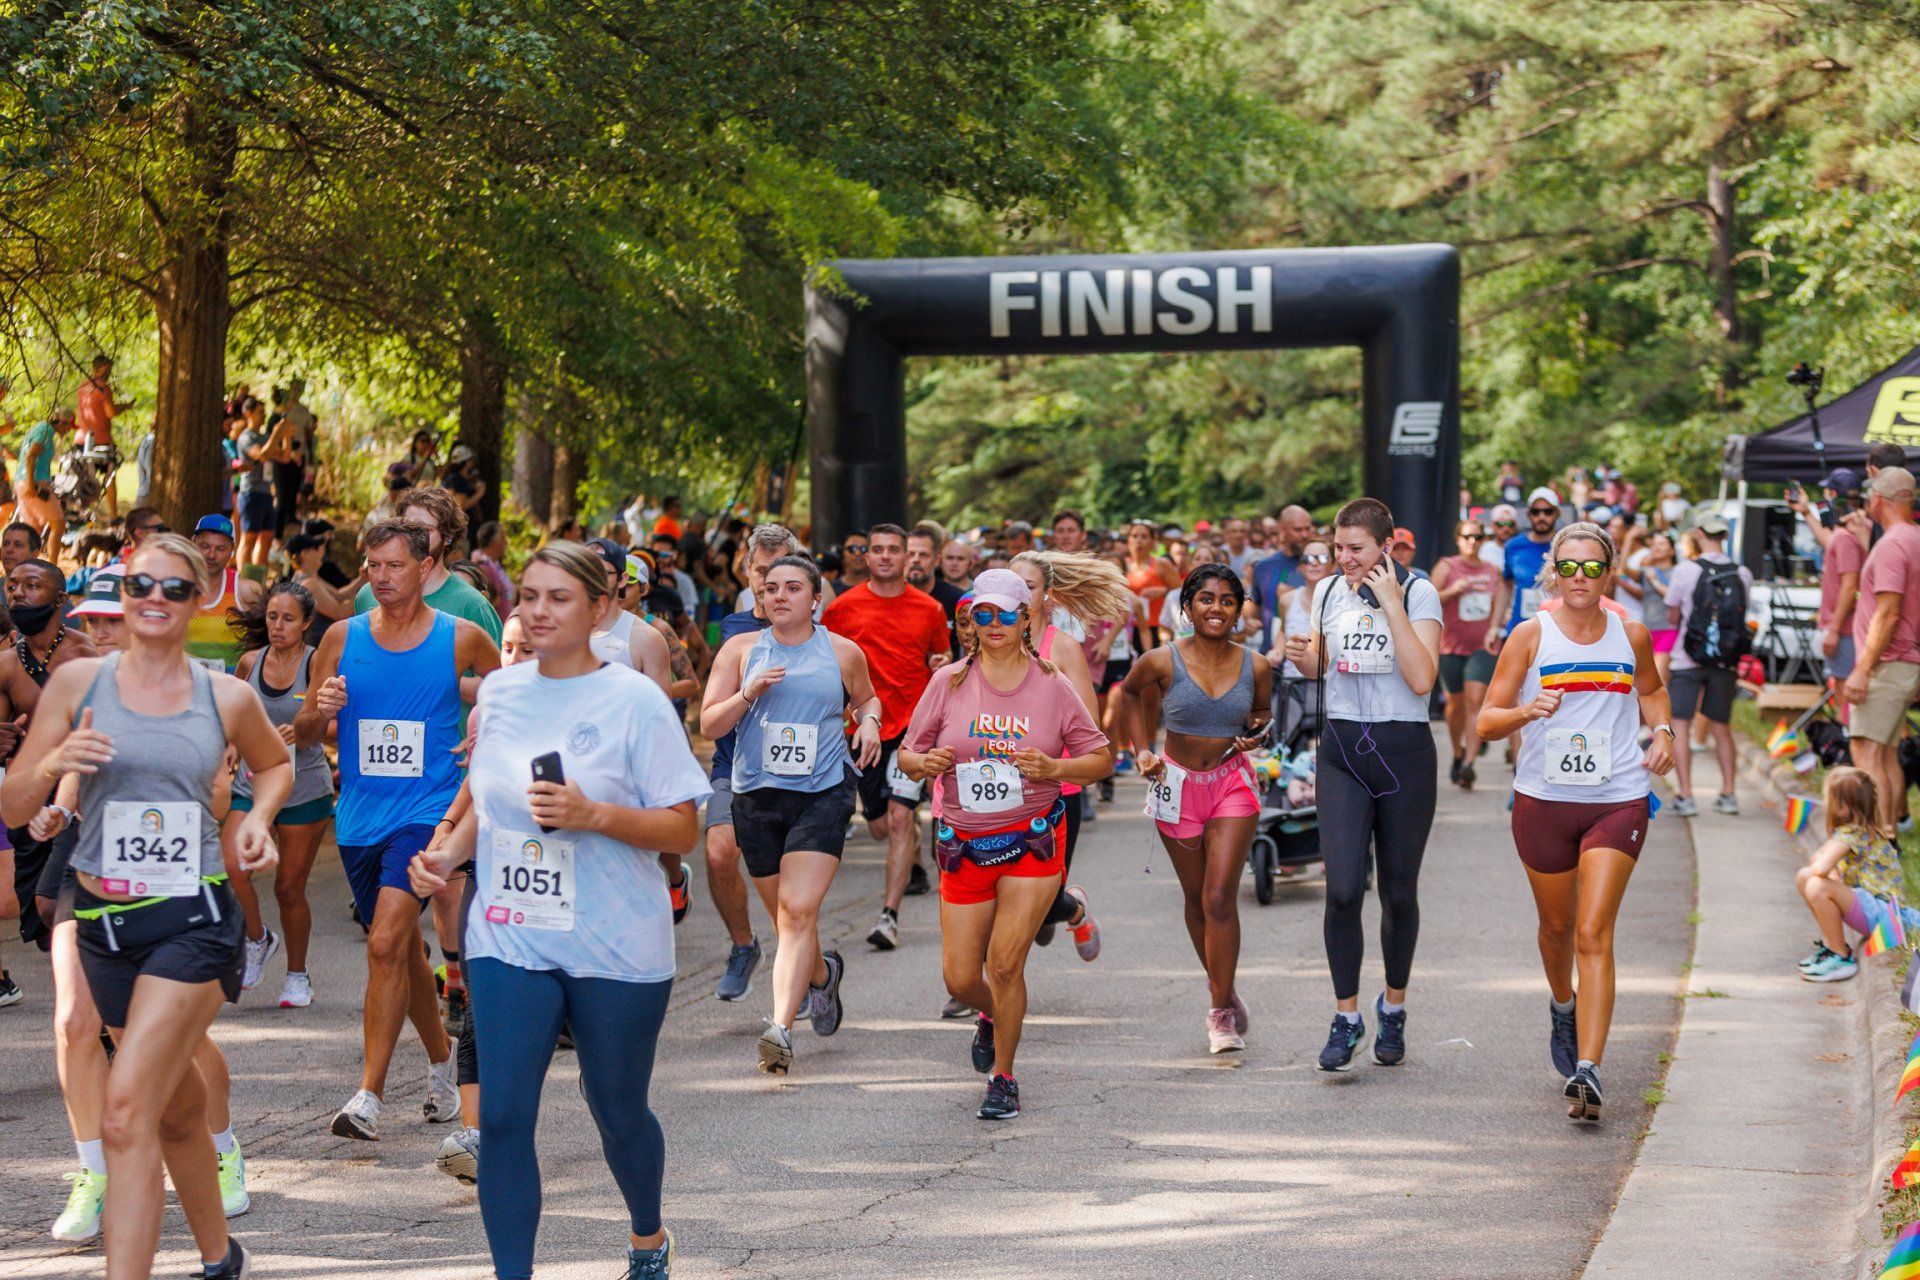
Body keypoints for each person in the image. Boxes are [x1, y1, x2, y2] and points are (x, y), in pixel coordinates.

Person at [408, 541, 707, 1280]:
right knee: (504, 1118)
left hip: (616, 937)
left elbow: (682, 826)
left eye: (558, 598)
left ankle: (647, 1235)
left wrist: (593, 814)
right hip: (510, 929)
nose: (537, 610)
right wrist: (448, 851)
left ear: (599, 608)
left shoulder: (634, 700)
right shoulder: (503, 692)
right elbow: (489, 797)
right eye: (528, 596)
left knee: (616, 1106)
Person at [3, 532, 291, 1280]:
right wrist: (55, 763)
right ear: (120, 596)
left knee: (127, 1112)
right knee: (171, 1110)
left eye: (172, 589)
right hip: (102, 923)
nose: (153, 600)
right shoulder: (78, 686)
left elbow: (275, 763)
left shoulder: (224, 694)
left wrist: (256, 822)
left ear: (199, 600)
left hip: (191, 921)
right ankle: (221, 1254)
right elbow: (12, 801)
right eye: (139, 586)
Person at [297, 519, 500, 1141]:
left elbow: (510, 694)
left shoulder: (460, 637)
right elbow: (304, 731)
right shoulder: (340, 637)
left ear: (424, 567)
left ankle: (368, 1095)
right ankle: (442, 1062)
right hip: (359, 816)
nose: (380, 577)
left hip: (429, 811)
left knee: (385, 942)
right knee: (403, 949)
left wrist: (480, 730)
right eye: (372, 566)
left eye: (393, 566)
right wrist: (319, 713)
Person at [1477, 521, 1674, 1122]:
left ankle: (1588, 1068)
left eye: (1593, 567)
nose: (1581, 577)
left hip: (1617, 796)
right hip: (1542, 799)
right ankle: (1563, 1004)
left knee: (1593, 930)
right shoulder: (1529, 637)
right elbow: (1485, 721)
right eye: (1570, 566)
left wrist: (1662, 731)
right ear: (1552, 572)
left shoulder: (1631, 633)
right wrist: (1524, 711)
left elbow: (1654, 692)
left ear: (1609, 571)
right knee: (1557, 927)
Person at [899, 569, 1111, 1119]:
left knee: (1005, 964)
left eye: (1005, 614)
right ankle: (995, 1014)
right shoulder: (946, 682)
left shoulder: (1052, 685)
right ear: (970, 623)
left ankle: (1004, 1077)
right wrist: (926, 764)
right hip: (964, 842)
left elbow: (1101, 758)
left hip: (1032, 841)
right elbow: (908, 753)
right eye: (981, 615)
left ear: (1025, 619)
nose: (993, 625)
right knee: (960, 977)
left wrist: (1054, 766)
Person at [701, 554, 881, 1072]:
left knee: (798, 911)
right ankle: (821, 976)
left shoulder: (842, 652)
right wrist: (746, 692)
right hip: (756, 795)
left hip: (822, 791)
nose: (779, 596)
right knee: (788, 920)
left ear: (815, 599)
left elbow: (868, 701)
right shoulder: (739, 650)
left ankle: (780, 1028)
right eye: (771, 588)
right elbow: (711, 724)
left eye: (792, 588)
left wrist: (868, 724)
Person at [1282, 497, 1442, 1072]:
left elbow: (1422, 677)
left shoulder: (1420, 591)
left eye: (1356, 549)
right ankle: (1346, 1016)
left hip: (1404, 753)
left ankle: (1392, 1007)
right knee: (1344, 889)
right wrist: (1304, 655)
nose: (1344, 559)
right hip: (1343, 751)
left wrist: (1393, 605)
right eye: (1338, 547)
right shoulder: (1327, 592)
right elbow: (1320, 666)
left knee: (1399, 893)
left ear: (1386, 544)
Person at [1123, 564, 1273, 1053]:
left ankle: (1219, 1013)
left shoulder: (1256, 666)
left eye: (1227, 600)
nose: (1216, 608)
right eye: (1205, 599)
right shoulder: (1160, 661)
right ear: (1187, 608)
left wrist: (1257, 730)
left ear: (1239, 611)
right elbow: (1128, 694)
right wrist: (1140, 750)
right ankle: (1224, 987)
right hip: (1175, 785)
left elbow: (1264, 714)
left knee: (1217, 897)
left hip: (1232, 783)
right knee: (1194, 899)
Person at [821, 523, 951, 951]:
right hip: (863, 730)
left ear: (906, 556)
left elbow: (941, 660)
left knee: (898, 819)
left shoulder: (929, 608)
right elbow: (828, 662)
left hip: (912, 731)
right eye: (877, 549)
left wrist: (940, 663)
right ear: (866, 556)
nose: (885, 556)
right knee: (878, 825)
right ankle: (907, 836)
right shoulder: (842, 608)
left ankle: (888, 916)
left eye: (894, 550)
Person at [1010, 549, 1128, 956]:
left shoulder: (1062, 649)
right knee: (998, 895)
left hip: (1057, 792)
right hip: (1002, 790)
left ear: (1049, 596)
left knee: (1040, 906)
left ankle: (1071, 909)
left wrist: (1048, 750)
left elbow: (1091, 735)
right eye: (1012, 587)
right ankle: (984, 994)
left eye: (1029, 588)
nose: (1019, 597)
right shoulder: (989, 644)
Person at [226, 582, 337, 1007]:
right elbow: (234, 713)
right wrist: (235, 741)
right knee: (233, 867)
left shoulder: (318, 667)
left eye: (288, 618)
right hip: (251, 782)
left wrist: (306, 733)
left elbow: (338, 729)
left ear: (307, 623)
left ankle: (297, 975)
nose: (278, 626)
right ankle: (256, 938)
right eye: (272, 617)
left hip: (303, 784)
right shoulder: (249, 663)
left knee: (289, 888)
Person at [703, 524, 802, 1000]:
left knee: (784, 879)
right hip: (735, 765)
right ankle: (744, 946)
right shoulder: (734, 629)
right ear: (746, 571)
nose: (770, 583)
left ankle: (799, 962)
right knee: (720, 851)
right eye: (761, 571)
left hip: (794, 773)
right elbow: (709, 712)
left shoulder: (818, 631)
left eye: (781, 572)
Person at [1843, 468, 1920, 831]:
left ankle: (1873, 846)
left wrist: (1862, 669)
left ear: (1878, 498)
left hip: (1886, 664)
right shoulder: (1912, 538)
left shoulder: (1892, 544)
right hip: (1904, 662)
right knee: (1885, 754)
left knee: (1866, 752)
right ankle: (1886, 841)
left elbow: (1888, 612)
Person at [1662, 514, 1750, 817]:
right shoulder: (1742, 573)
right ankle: (1729, 793)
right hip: (1725, 659)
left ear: (1699, 534)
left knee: (1681, 725)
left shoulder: (1685, 570)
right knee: (1721, 727)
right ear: (1724, 535)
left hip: (1688, 657)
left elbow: (1673, 616)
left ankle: (1686, 795)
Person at [1432, 520, 1499, 789]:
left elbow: (1498, 603)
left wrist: (1495, 627)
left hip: (1481, 647)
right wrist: (1453, 590)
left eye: (1478, 537)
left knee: (1474, 701)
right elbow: (1428, 597)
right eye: (1468, 537)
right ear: (1458, 539)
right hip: (1450, 646)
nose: (1473, 541)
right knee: (1454, 705)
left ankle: (1470, 764)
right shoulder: (1447, 566)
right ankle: (1458, 754)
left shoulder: (1492, 570)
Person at [184, 515, 258, 673]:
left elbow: (263, 643)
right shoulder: (176, 587)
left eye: (220, 549)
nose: (211, 555)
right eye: (204, 546)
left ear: (232, 550)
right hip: (182, 686)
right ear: (192, 543)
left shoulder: (247, 592)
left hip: (229, 689)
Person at [1490, 489, 1561, 649]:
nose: (1541, 516)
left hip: (1557, 630)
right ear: (1529, 514)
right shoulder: (1514, 546)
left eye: (1547, 511)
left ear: (1557, 513)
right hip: (1520, 628)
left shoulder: (1565, 545)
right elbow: (1505, 585)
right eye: (1536, 512)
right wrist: (1494, 626)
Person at [74, 355, 133, 522]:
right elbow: (110, 412)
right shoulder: (102, 388)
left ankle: (81, 514)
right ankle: (113, 516)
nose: (109, 373)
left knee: (83, 479)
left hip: (81, 439)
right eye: (107, 369)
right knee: (110, 478)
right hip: (101, 441)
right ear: (100, 368)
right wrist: (125, 406)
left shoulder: (82, 386)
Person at [1251, 505, 1314, 644]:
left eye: (1308, 528)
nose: (1304, 534)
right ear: (1282, 530)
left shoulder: (1321, 565)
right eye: (1298, 529)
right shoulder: (1263, 567)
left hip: (1310, 654)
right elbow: (1256, 609)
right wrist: (1250, 622)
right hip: (1272, 654)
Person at [907, 522, 966, 651]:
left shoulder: (956, 599)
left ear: (937, 560)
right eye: (910, 554)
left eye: (923, 555)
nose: (915, 560)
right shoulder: (891, 596)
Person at [1122, 520, 1180, 653]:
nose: (1139, 540)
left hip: (1155, 628)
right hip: (1126, 629)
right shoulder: (1122, 565)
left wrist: (1163, 591)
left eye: (1144, 537)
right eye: (1134, 536)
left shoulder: (1161, 565)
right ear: (1128, 540)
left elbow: (1180, 593)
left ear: (1152, 541)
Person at [472, 520, 516, 611]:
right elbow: (493, 601)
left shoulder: (494, 565)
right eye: (503, 538)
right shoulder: (483, 568)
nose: (506, 543)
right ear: (494, 543)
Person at [1481, 504, 1517, 569]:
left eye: (1510, 524)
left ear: (1515, 526)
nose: (1506, 528)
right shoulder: (1482, 550)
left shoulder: (1522, 549)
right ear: (1493, 526)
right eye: (1501, 524)